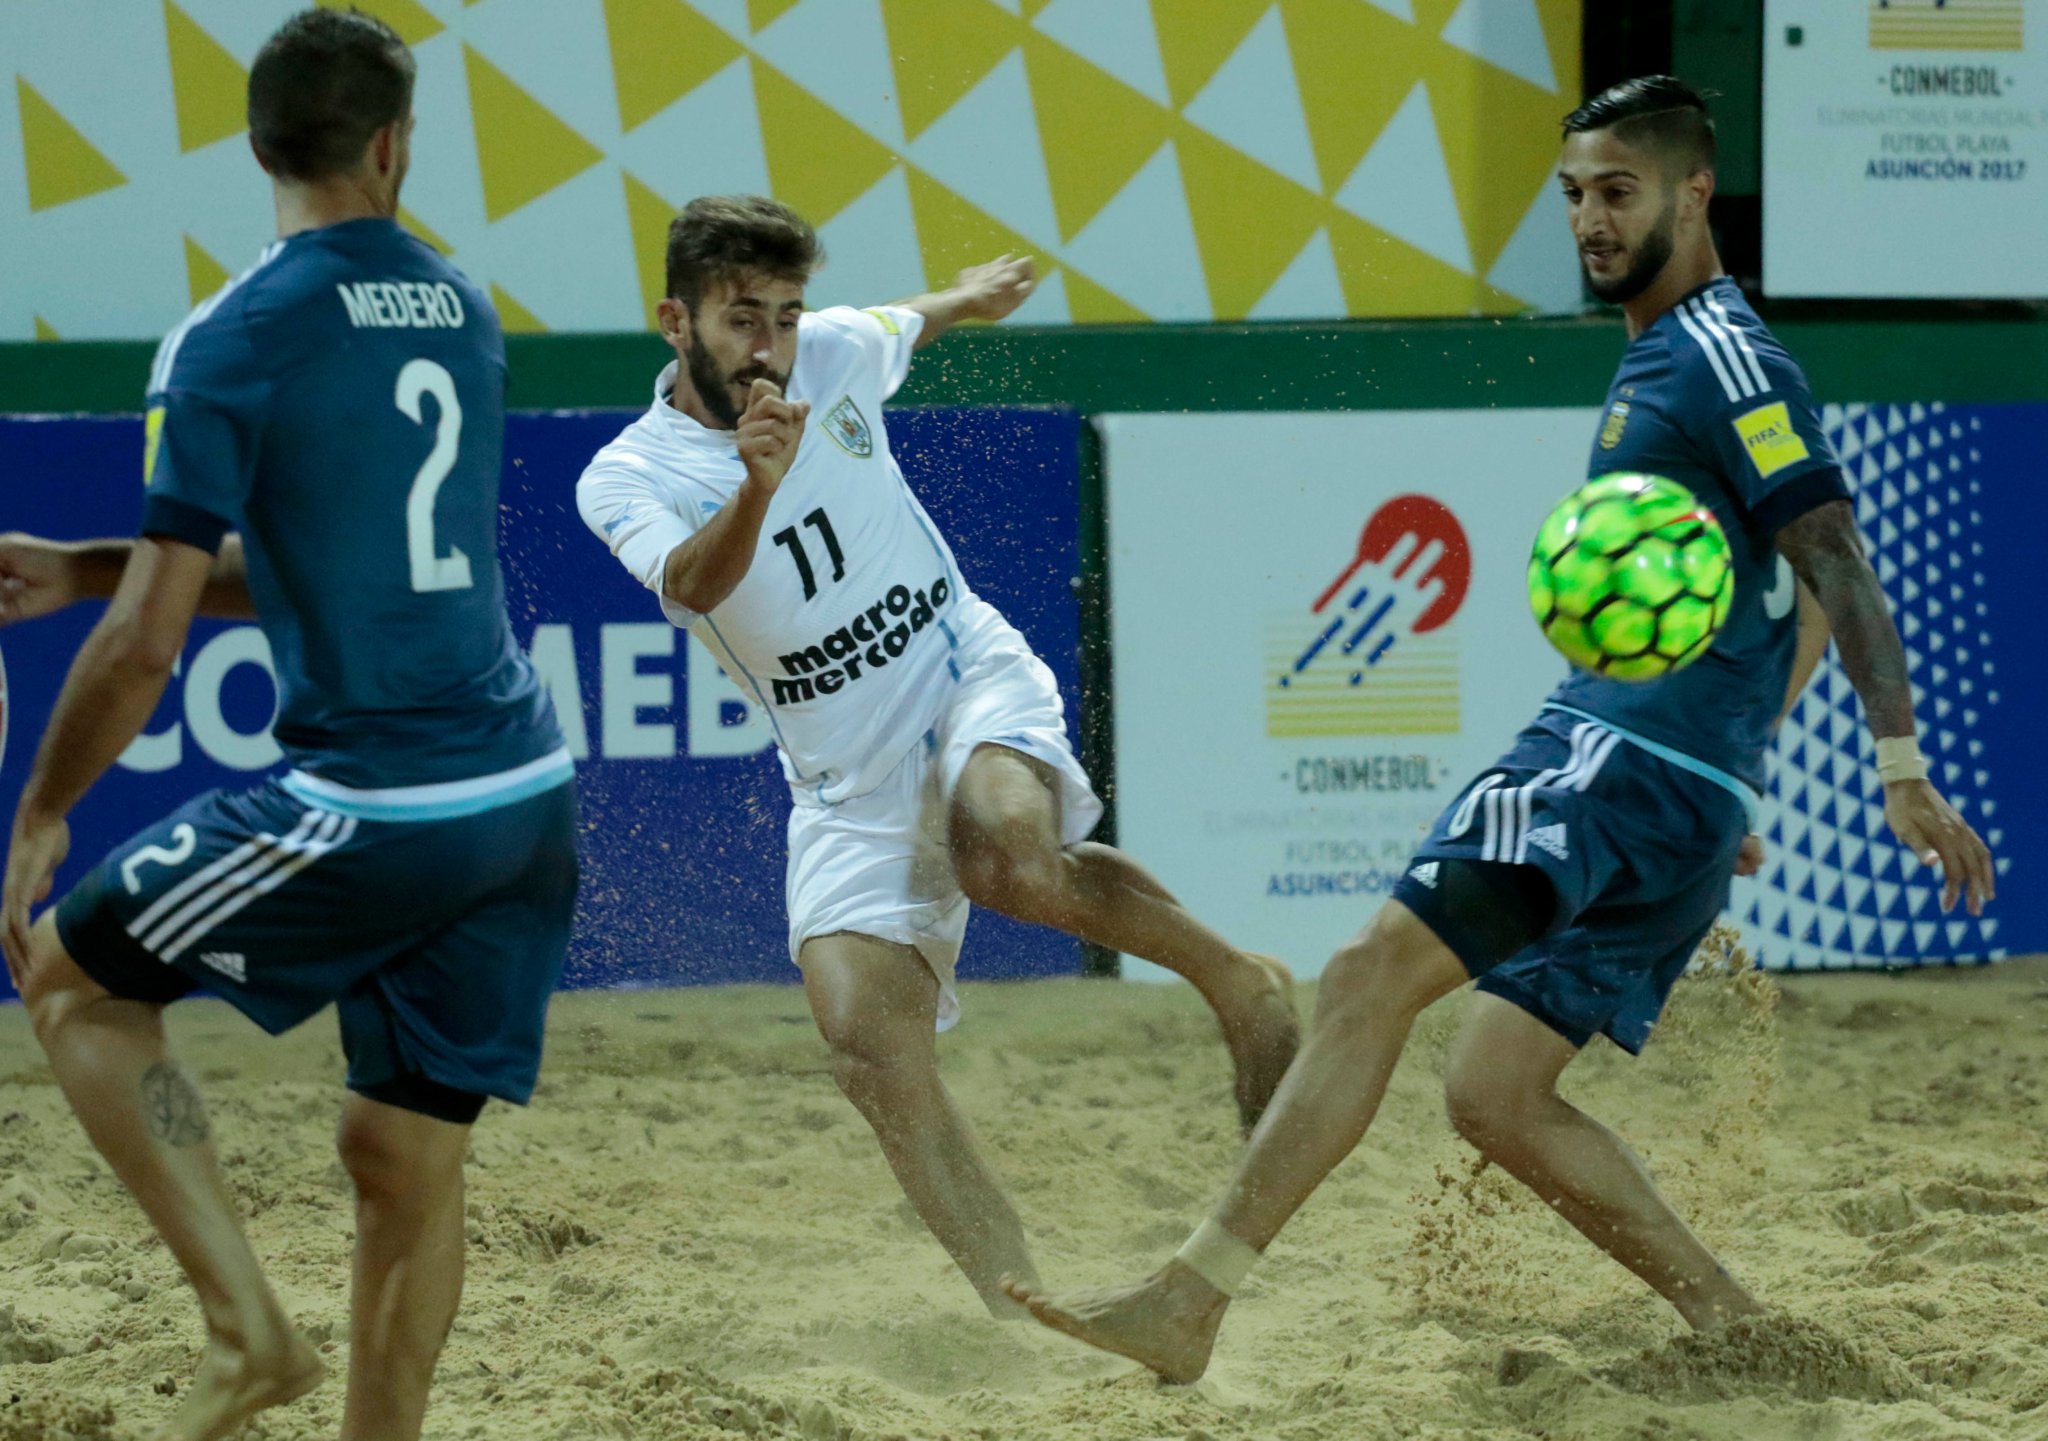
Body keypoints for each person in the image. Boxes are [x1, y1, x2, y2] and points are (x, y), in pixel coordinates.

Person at [1001, 75, 1997, 1382]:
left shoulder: (1723, 356)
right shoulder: (1667, 352)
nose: (1590, 219)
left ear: (1696, 192)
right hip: (1676, 786)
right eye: (1576, 193)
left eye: (1618, 191)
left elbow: (1836, 562)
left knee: (1364, 981)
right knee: (1495, 1094)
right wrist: (1728, 772)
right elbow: (1795, 591)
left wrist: (1900, 767)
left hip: (1613, 754)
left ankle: (1188, 1300)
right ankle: (1738, 1324)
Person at [0, 12, 575, 1439]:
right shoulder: (463, 304)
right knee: (398, 1152)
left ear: (259, 145)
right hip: (521, 800)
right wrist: (85, 563)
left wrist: (42, 809)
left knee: (72, 976)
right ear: (393, 146)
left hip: (380, 805)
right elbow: (338, 570)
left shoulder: (234, 333)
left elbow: (142, 648)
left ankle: (246, 1334)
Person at [574, 195, 1299, 1314]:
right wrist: (759, 481)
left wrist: (968, 296)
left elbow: (899, 322)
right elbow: (690, 585)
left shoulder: (828, 351)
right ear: (674, 319)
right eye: (736, 318)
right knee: (866, 1049)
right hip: (839, 778)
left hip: (956, 668)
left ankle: (1237, 982)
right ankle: (1031, 1311)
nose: (766, 345)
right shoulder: (627, 474)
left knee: (1003, 857)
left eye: (783, 313)